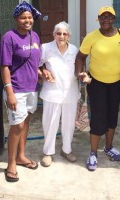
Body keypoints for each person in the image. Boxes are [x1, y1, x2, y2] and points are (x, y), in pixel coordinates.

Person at [75, 6, 120, 171]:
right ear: (98, 19)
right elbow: (80, 57)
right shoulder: (92, 37)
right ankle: (93, 153)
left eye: (109, 17)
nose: (106, 20)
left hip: (117, 83)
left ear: (114, 19)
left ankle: (108, 147)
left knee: (112, 115)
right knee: (99, 117)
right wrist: (80, 73)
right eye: (102, 17)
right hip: (97, 83)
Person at [0, 1, 42, 182]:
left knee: (25, 124)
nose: (27, 20)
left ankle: (21, 156)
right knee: (16, 126)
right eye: (23, 17)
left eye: (30, 17)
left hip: (32, 88)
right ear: (16, 19)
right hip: (16, 89)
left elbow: (35, 62)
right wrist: (9, 92)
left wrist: (42, 72)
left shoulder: (35, 37)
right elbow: (5, 66)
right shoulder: (9, 38)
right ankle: (11, 164)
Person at [39, 21, 80, 167]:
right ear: (54, 34)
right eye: (58, 33)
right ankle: (48, 152)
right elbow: (38, 63)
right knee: (50, 123)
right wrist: (44, 70)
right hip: (52, 92)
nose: (61, 36)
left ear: (69, 35)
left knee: (68, 124)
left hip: (70, 92)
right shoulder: (46, 48)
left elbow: (80, 67)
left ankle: (66, 150)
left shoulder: (74, 50)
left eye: (64, 34)